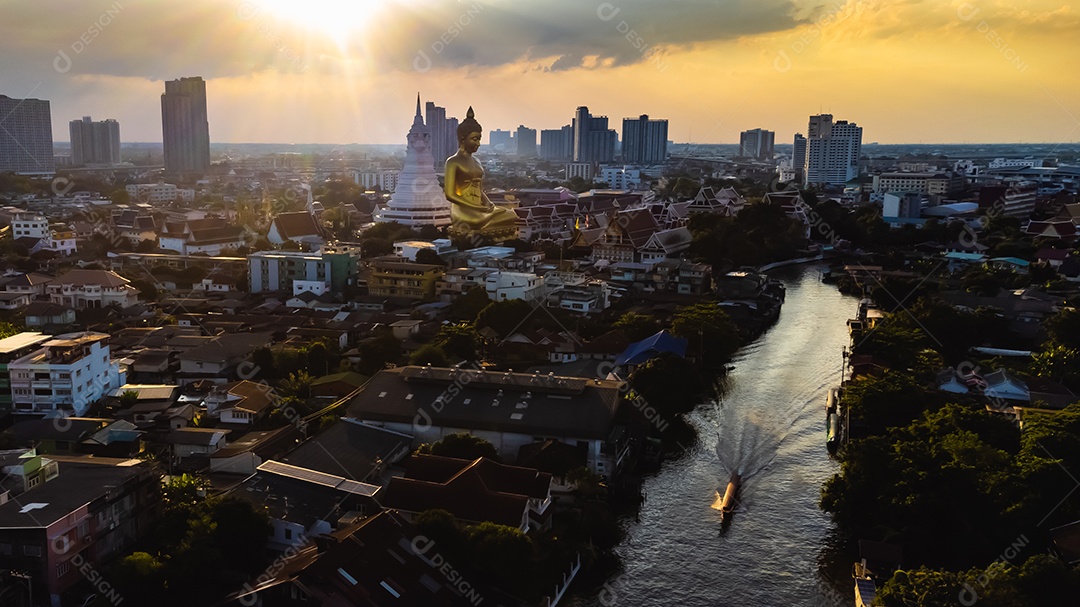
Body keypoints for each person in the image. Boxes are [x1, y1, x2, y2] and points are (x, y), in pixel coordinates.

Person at [444, 106, 518, 239]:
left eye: (479, 139)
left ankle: (488, 222)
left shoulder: (477, 161)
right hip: (463, 210)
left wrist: (488, 203)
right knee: (477, 221)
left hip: (479, 207)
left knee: (511, 215)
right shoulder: (453, 162)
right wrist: (475, 207)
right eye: (474, 139)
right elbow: (449, 194)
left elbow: (479, 189)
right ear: (462, 139)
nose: (478, 143)